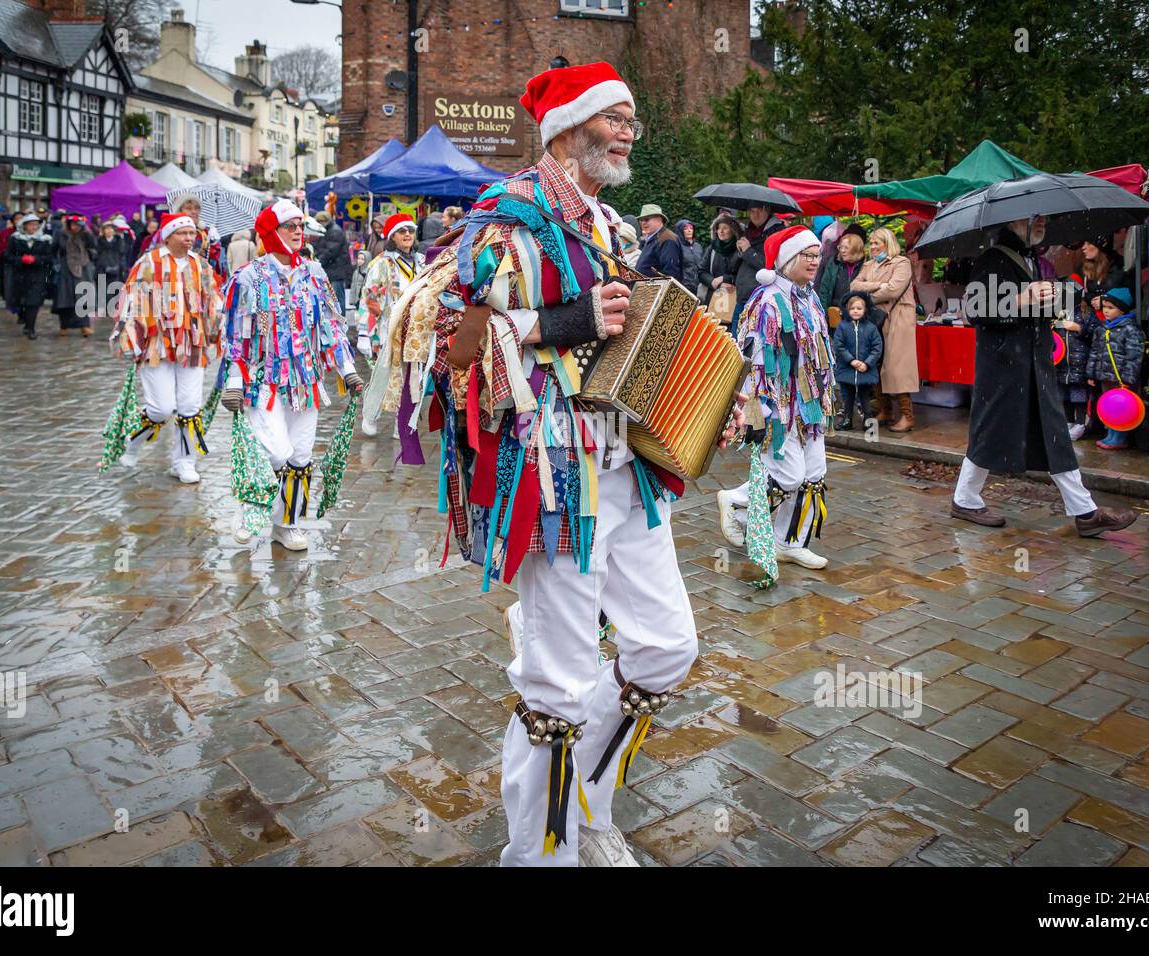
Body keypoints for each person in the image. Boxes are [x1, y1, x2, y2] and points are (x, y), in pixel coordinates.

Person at [363, 61, 740, 867]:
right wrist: (562, 320)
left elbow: (627, 339)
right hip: (557, 477)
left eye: (632, 118)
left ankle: (585, 803)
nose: (629, 131)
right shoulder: (506, 216)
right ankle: (542, 853)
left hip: (629, 466)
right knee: (559, 685)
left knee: (666, 648)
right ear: (569, 128)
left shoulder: (611, 226)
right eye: (616, 117)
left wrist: (707, 399)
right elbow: (443, 340)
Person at [951, 216, 1136, 537]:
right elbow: (976, 310)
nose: (1042, 222)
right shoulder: (992, 258)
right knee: (989, 432)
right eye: (1034, 218)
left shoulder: (1031, 258)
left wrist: (1058, 296)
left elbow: (1034, 309)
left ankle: (1085, 512)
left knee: (1054, 435)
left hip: (1035, 365)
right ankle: (965, 500)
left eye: (1043, 218)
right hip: (1004, 367)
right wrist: (1022, 298)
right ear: (1014, 220)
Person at [219, 199, 362, 550]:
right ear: (272, 232)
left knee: (300, 455)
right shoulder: (249, 277)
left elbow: (331, 326)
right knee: (276, 452)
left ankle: (287, 524)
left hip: (305, 381)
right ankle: (251, 505)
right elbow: (236, 334)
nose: (299, 232)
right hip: (264, 379)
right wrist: (234, 381)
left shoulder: (315, 273)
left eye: (301, 226)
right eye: (290, 226)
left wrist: (346, 369)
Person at [717, 225, 835, 571]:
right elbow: (753, 362)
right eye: (807, 255)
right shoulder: (766, 302)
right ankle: (736, 503)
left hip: (809, 405)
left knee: (814, 473)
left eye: (817, 255)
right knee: (789, 475)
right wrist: (757, 411)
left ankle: (789, 542)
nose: (814, 261)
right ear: (787, 259)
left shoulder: (810, 297)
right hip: (777, 407)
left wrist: (824, 394)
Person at [110, 212, 224, 483]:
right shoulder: (149, 262)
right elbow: (131, 299)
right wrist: (129, 336)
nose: (189, 238)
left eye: (192, 233)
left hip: (192, 344)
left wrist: (219, 324)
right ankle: (133, 441)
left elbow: (213, 298)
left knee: (189, 405)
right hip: (156, 345)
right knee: (161, 407)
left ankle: (184, 462)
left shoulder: (200, 265)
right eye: (182, 233)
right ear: (168, 236)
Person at [851, 227, 917, 432]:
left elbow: (893, 290)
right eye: (870, 243)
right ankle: (885, 410)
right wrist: (879, 285)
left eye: (876, 243)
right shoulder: (869, 264)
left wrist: (868, 291)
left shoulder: (901, 263)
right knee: (876, 363)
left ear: (887, 244)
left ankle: (907, 415)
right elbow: (854, 286)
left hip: (898, 319)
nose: (872, 247)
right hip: (875, 319)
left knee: (897, 367)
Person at [353, 213, 421, 361]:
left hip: (417, 330)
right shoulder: (382, 263)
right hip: (389, 328)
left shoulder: (421, 261)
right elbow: (369, 298)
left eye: (410, 230)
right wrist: (363, 333)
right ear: (392, 237)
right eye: (402, 231)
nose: (407, 234)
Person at [1085, 287, 1145, 451]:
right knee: (1109, 407)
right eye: (1104, 307)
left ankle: (1120, 437)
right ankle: (1111, 433)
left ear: (1122, 309)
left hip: (1121, 379)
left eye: (1111, 308)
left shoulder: (1130, 330)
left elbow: (1134, 356)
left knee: (1121, 408)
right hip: (1105, 376)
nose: (1106, 311)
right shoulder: (1101, 328)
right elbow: (1095, 352)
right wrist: (1091, 374)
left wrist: (1127, 378)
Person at [831, 291, 884, 430]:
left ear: (865, 310)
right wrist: (851, 361)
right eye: (852, 308)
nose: (855, 311)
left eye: (859, 308)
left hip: (865, 369)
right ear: (847, 310)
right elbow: (838, 346)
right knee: (847, 397)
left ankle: (868, 420)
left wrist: (867, 363)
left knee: (865, 397)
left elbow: (877, 347)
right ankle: (847, 419)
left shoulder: (871, 328)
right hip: (847, 368)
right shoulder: (842, 327)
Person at [1054, 276, 1096, 441]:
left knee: (1078, 396)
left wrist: (1079, 328)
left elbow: (1096, 334)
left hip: (1079, 363)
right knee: (1064, 396)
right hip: (1062, 364)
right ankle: (1068, 422)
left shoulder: (1085, 314)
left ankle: (1080, 424)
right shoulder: (1058, 313)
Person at [2, 212, 54, 338]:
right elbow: (7, 255)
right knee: (21, 300)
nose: (34, 227)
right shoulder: (15, 238)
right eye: (31, 224)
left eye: (36, 224)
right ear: (24, 226)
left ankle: (31, 328)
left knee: (34, 301)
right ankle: (24, 319)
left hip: (38, 275)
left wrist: (36, 259)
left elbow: (50, 258)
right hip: (19, 275)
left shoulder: (46, 239)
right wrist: (20, 259)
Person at [733, 204, 785, 319]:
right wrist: (739, 252)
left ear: (768, 211)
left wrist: (748, 251)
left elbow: (771, 267)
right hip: (742, 296)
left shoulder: (777, 234)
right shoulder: (747, 232)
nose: (755, 215)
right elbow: (734, 267)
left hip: (762, 299)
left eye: (760, 210)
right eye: (752, 211)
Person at [51, 214, 98, 337]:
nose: (75, 227)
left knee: (83, 296)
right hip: (65, 269)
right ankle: (64, 326)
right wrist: (56, 264)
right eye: (73, 224)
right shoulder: (61, 234)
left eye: (78, 225)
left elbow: (94, 246)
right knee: (65, 298)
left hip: (83, 268)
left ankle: (85, 325)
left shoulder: (86, 234)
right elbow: (53, 250)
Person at [815, 225, 867, 313]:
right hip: (835, 313)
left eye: (846, 248)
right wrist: (824, 314)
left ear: (856, 249)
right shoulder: (834, 263)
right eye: (841, 247)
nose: (842, 251)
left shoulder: (866, 265)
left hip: (858, 314)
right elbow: (824, 290)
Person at [698, 215, 741, 307]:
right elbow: (701, 272)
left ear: (733, 230)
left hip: (734, 299)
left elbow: (744, 275)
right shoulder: (712, 248)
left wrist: (725, 278)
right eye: (718, 228)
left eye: (725, 228)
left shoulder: (740, 249)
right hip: (712, 299)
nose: (720, 231)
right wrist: (713, 282)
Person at [634, 203, 682, 283]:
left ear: (659, 219)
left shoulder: (667, 239)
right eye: (641, 220)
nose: (643, 223)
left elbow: (670, 274)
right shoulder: (654, 238)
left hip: (657, 288)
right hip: (648, 287)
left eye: (646, 219)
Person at [313, 211, 351, 311]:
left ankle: (341, 317)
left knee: (337, 296)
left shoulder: (335, 231)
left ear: (326, 221)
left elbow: (331, 251)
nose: (320, 223)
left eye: (321, 221)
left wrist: (318, 262)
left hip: (336, 269)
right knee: (333, 296)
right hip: (332, 268)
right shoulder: (326, 230)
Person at [94, 219, 129, 319]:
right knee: (102, 289)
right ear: (103, 231)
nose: (109, 231)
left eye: (111, 229)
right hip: (102, 268)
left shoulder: (119, 241)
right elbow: (96, 255)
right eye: (107, 229)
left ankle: (113, 309)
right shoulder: (98, 241)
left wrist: (121, 267)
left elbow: (122, 256)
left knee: (115, 289)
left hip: (116, 267)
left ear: (114, 230)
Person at [674, 218, 704, 295]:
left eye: (691, 228)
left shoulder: (698, 246)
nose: (689, 230)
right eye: (685, 228)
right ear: (680, 231)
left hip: (700, 286)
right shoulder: (676, 246)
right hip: (684, 287)